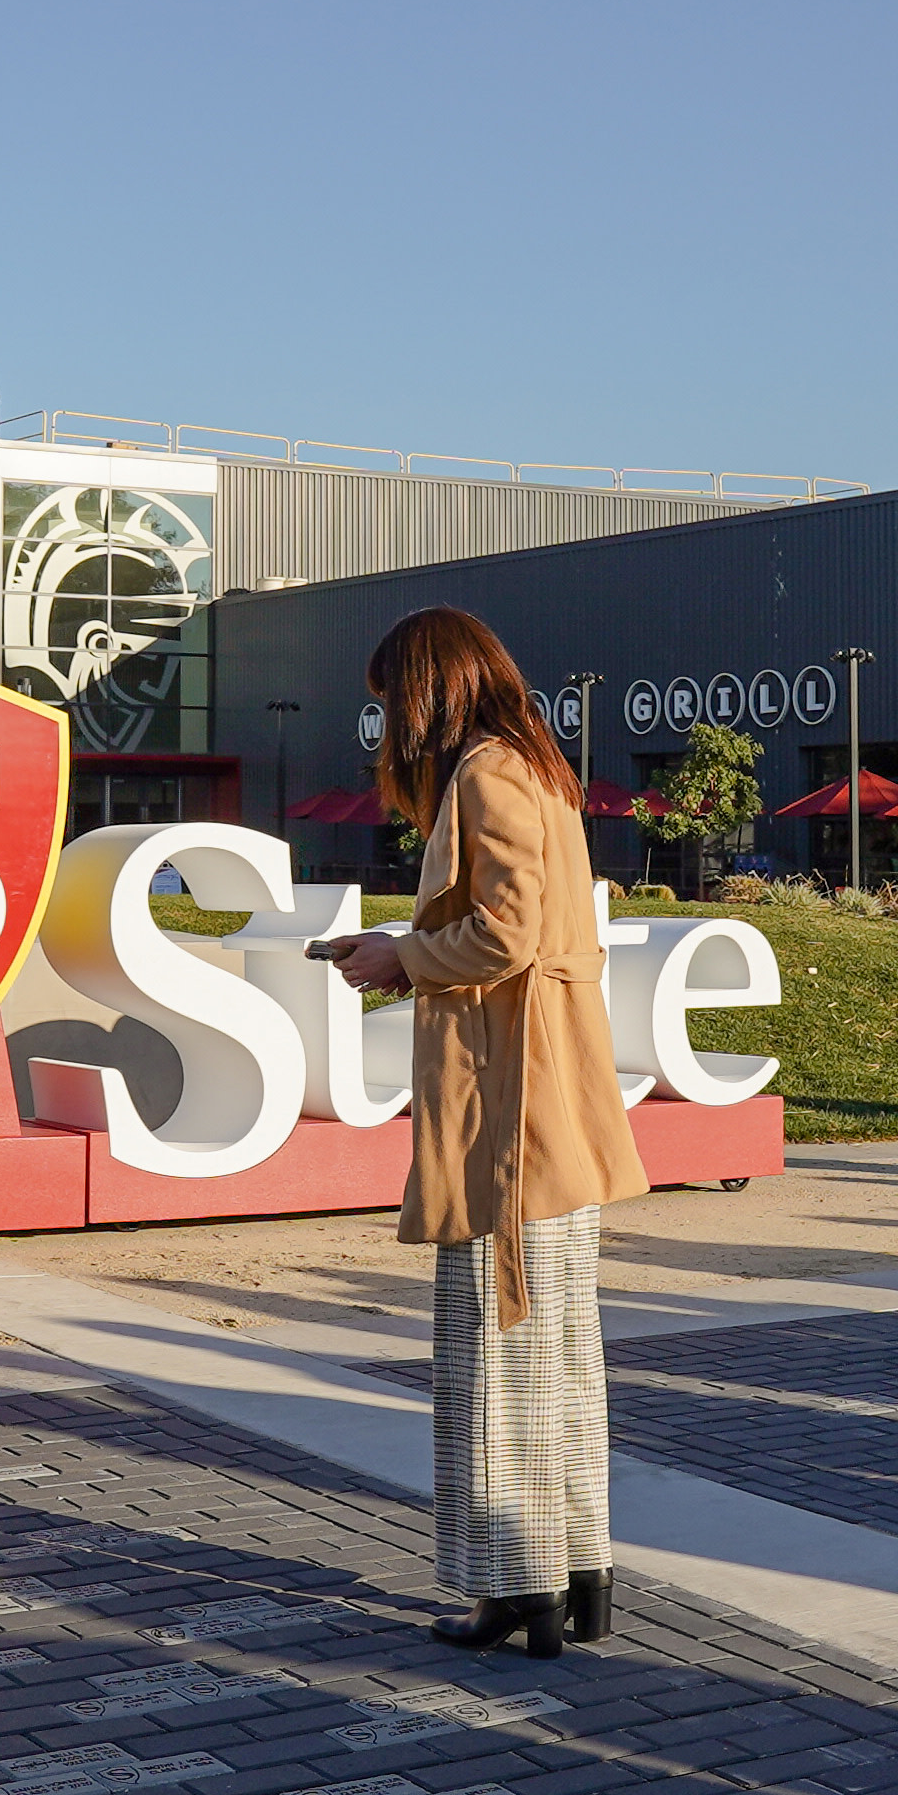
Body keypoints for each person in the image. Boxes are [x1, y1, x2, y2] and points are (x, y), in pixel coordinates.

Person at [331, 607, 650, 1658]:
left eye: (389, 698)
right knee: (555, 1352)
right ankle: (579, 1572)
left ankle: (517, 1591)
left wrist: (401, 961)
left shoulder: (484, 771)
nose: (385, 722)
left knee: (495, 1353)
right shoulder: (535, 765)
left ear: (429, 687)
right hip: (551, 1105)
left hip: (512, 1113)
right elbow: (527, 920)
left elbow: (507, 932)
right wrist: (398, 940)